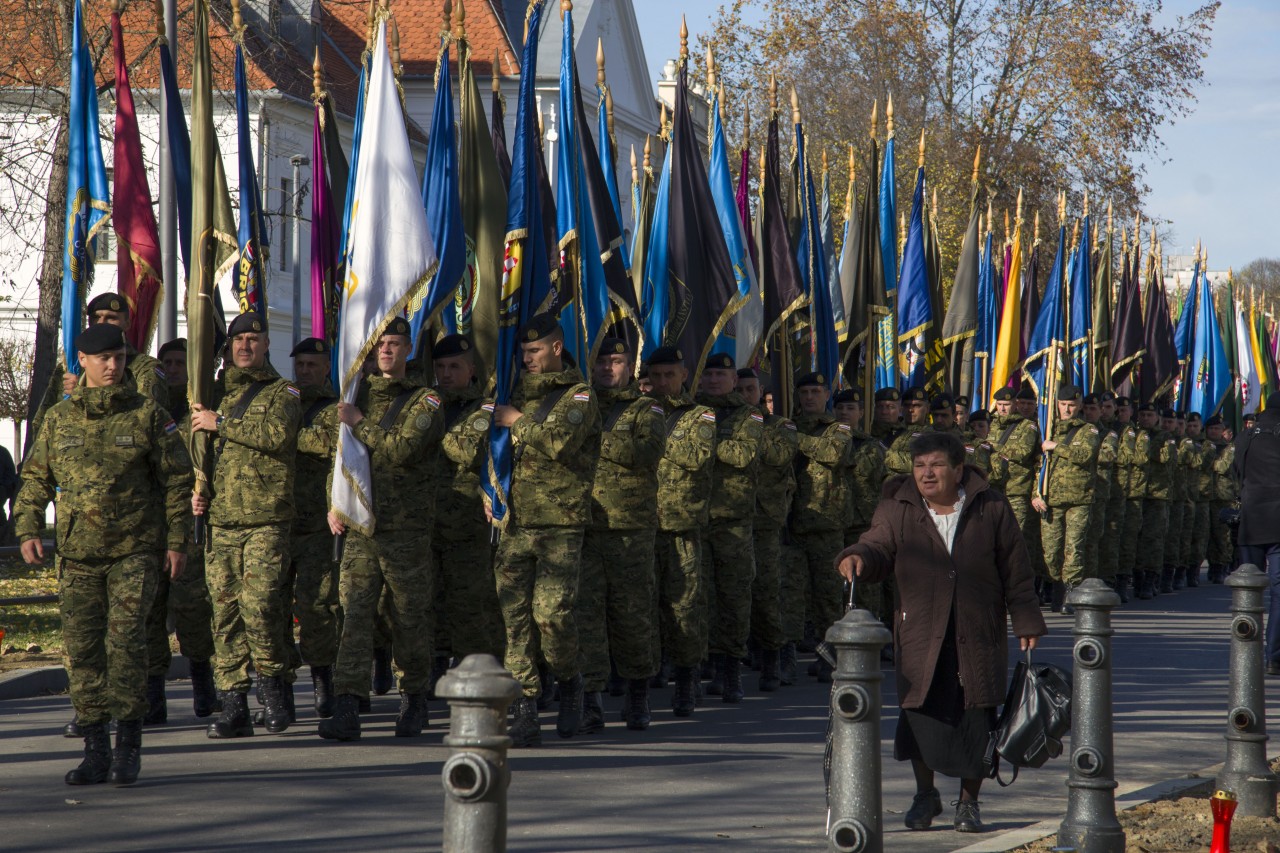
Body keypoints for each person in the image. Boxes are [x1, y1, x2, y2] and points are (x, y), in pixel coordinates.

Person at [835, 430, 1046, 834]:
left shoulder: (991, 506)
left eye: (935, 465)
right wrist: (857, 556)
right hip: (920, 630)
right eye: (919, 466)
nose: (926, 474)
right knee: (920, 715)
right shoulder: (898, 506)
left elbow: (1015, 568)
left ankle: (969, 803)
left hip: (977, 629)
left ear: (958, 469)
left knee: (976, 717)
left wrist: (1026, 619)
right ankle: (924, 794)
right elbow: (876, 545)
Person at [15, 323, 191, 787]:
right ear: (83, 361)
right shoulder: (59, 418)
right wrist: (29, 525)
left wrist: (177, 541)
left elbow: (177, 481)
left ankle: (128, 745)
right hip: (77, 555)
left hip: (134, 551)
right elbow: (35, 478)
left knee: (127, 645)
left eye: (119, 358)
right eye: (103, 359)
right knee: (84, 652)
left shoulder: (148, 415)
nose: (113, 366)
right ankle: (95, 748)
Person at [320, 318, 444, 740]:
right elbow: (338, 454)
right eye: (379, 345)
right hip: (362, 527)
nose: (386, 351)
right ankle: (348, 705)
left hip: (405, 529)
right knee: (354, 615)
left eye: (393, 344)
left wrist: (360, 422)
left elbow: (404, 449)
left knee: (408, 616)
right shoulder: (356, 395)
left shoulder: (425, 401)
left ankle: (413, 698)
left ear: (408, 349)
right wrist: (334, 500)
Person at [491, 313, 601, 746]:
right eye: (523, 353)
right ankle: (524, 707)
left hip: (560, 524)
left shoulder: (578, 395)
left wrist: (516, 420)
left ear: (557, 348)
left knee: (552, 617)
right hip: (515, 521)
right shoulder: (511, 392)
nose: (528, 359)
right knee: (515, 620)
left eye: (535, 351)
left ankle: (571, 681)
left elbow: (558, 444)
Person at [192, 312, 302, 739]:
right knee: (225, 614)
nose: (244, 347)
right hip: (221, 521)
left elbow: (277, 435)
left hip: (266, 520)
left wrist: (221, 424)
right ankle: (234, 703)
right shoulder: (214, 394)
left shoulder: (283, 391)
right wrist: (200, 489)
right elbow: (202, 452)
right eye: (238, 341)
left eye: (253, 340)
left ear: (266, 345)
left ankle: (274, 692)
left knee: (261, 608)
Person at [577, 336, 664, 731]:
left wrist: (594, 435)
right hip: (584, 524)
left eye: (616, 361)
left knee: (632, 614)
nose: (607, 368)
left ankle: (637, 692)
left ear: (630, 366)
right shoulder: (578, 406)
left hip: (630, 528)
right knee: (587, 615)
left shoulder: (647, 409)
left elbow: (644, 453)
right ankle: (591, 697)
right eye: (601, 361)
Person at [645, 346, 716, 716]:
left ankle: (688, 678)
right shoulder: (639, 410)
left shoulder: (700, 416)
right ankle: (648, 673)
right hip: (641, 522)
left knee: (685, 605)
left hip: (681, 524)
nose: (661, 383)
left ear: (684, 375)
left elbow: (696, 456)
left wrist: (652, 433)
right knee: (643, 604)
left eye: (668, 375)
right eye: (655, 376)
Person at [428, 334, 503, 679]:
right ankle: (432, 670)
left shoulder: (485, 408)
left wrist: (423, 433)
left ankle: (477, 672)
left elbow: (466, 450)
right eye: (440, 367)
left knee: (470, 604)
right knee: (429, 603)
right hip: (425, 522)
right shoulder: (424, 404)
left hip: (468, 527)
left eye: (454, 366)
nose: (446, 373)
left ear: (471, 370)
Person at [695, 352, 762, 703]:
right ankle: (706, 663)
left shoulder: (748, 415)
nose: (714, 380)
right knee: (698, 596)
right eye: (709, 375)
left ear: (734, 381)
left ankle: (732, 667)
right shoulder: (692, 411)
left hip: (733, 520)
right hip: (695, 517)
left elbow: (742, 455)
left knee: (734, 597)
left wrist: (703, 440)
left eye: (722, 375)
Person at [289, 337, 341, 718]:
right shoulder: (285, 401)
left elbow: (327, 443)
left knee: (317, 608)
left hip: (319, 526)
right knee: (270, 609)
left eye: (312, 365)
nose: (305, 371)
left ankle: (324, 681)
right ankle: (280, 687)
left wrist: (281, 435)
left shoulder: (334, 407)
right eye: (300, 365)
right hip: (278, 521)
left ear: (326, 368)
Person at [790, 371, 853, 683]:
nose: (810, 397)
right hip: (790, 523)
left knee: (827, 595)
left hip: (826, 524)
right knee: (791, 593)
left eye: (816, 391)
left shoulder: (837, 429)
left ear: (827, 394)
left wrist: (796, 440)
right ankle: (787, 657)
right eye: (805, 392)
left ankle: (829, 655)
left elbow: (832, 455)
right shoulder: (785, 426)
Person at [738, 368, 795, 693]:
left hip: (765, 523)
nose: (746, 394)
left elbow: (776, 456)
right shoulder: (724, 421)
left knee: (766, 593)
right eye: (741, 388)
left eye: (751, 389)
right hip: (729, 518)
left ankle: (776, 654)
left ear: (760, 391)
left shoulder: (779, 427)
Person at [1032, 385, 1099, 612]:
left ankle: (1071, 592)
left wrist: (1057, 447)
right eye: (1063, 405)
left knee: (1073, 547)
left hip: (1079, 499)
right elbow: (1039, 467)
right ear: (1057, 405)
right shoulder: (1048, 429)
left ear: (1079, 406)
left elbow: (1084, 455)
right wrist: (1036, 493)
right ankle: (1055, 587)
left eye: (1071, 405)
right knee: (1051, 552)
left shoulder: (1088, 431)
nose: (1067, 409)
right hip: (1051, 500)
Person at [1233, 393, 1280, 674]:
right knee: (1278, 592)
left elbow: (1235, 472)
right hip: (1278, 522)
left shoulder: (1245, 437)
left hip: (1251, 521)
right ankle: (1273, 654)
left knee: (1248, 591)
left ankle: (1245, 650)